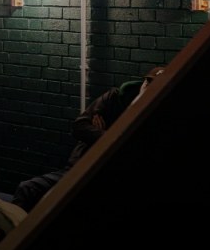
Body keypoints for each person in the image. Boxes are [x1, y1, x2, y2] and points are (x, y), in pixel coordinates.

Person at [11, 66, 164, 211]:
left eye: (154, 85)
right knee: (27, 188)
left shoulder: (152, 116)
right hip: (77, 167)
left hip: (105, 176)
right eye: (147, 81)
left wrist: (101, 134)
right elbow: (79, 126)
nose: (148, 87)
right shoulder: (115, 97)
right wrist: (109, 136)